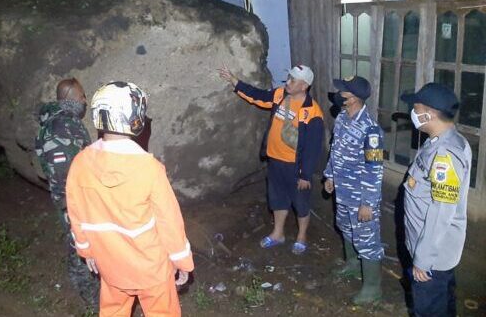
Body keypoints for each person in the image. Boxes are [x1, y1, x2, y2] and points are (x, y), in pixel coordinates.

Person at [66, 81, 194, 317]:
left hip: (110, 264)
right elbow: (169, 222)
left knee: (113, 311)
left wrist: (86, 251)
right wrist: (182, 261)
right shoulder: (149, 168)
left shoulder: (80, 163)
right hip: (150, 267)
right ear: (135, 117)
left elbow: (76, 214)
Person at [219, 64, 324, 255]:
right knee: (277, 199)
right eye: (289, 77)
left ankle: (302, 236)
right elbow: (257, 96)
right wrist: (235, 81)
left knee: (301, 202)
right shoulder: (279, 95)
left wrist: (305, 175)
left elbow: (313, 148)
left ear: (304, 86)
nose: (288, 82)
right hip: (275, 161)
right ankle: (278, 233)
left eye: (293, 80)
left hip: (296, 167)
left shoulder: (312, 112)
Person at [400, 83, 471, 317]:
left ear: (428, 113)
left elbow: (441, 211)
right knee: (442, 306)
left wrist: (423, 259)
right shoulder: (442, 141)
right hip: (433, 249)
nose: (413, 112)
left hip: (432, 256)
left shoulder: (445, 154)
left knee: (429, 309)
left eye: (416, 108)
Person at [35, 77, 99, 307]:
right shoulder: (61, 127)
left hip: (74, 198)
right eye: (82, 96)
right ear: (72, 99)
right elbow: (61, 170)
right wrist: (72, 203)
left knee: (79, 244)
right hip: (73, 200)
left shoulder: (62, 123)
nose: (85, 100)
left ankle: (86, 286)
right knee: (79, 247)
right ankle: (90, 297)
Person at [322, 75, 384, 304]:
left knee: (367, 240)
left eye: (343, 92)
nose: (339, 94)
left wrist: (367, 203)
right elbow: (335, 150)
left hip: (360, 197)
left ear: (354, 98)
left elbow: (374, 170)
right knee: (346, 229)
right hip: (344, 192)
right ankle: (353, 265)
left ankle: (372, 289)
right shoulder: (341, 118)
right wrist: (330, 176)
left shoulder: (371, 130)